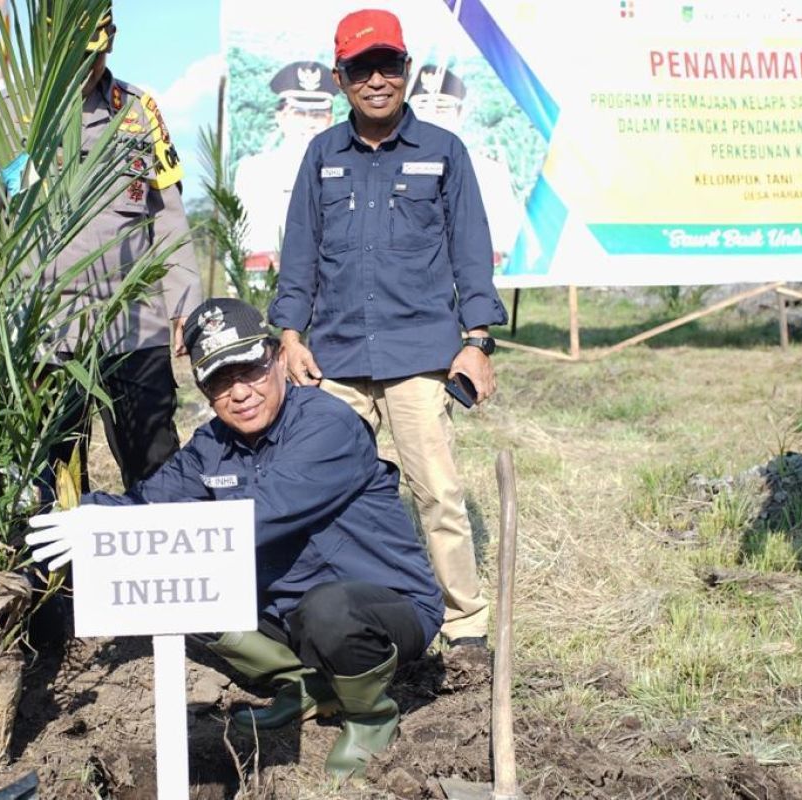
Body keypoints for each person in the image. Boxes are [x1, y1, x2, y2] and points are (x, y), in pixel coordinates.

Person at [32, 298, 445, 779]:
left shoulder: (327, 425)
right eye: (220, 381)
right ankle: (308, 685)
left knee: (328, 610)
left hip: (385, 607)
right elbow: (148, 505)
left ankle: (371, 717)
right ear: (205, 390)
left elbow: (260, 514)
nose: (240, 392)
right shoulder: (212, 444)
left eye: (249, 369)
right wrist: (79, 516)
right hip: (286, 613)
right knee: (174, 584)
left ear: (276, 359)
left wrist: (125, 528)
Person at [269, 10, 508, 650]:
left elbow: (469, 250)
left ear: (406, 70)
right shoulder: (321, 156)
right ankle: (327, 614)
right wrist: (289, 337)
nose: (377, 80)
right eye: (360, 69)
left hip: (419, 357)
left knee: (437, 494)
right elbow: (300, 255)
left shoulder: (442, 152)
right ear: (342, 78)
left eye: (389, 66)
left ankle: (464, 625)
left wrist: (478, 342)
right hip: (335, 362)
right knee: (322, 494)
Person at [0, 3, 202, 492]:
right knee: (51, 477)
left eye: (96, 55)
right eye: (73, 56)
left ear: (110, 40)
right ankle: (55, 571)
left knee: (156, 464)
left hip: (133, 327)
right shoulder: (4, 114)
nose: (86, 69)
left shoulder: (138, 110)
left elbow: (167, 216)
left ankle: (159, 561)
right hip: (43, 336)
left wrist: (184, 307)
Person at [409, 63, 523, 269]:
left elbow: (504, 243)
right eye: (422, 107)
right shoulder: (384, 169)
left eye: (442, 108)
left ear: (460, 114)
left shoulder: (489, 173)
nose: (431, 117)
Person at [233, 61, 338, 269]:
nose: (309, 123)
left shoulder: (349, 172)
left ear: (330, 120)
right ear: (280, 117)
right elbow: (247, 250)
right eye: (299, 113)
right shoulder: (255, 172)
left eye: (317, 114)